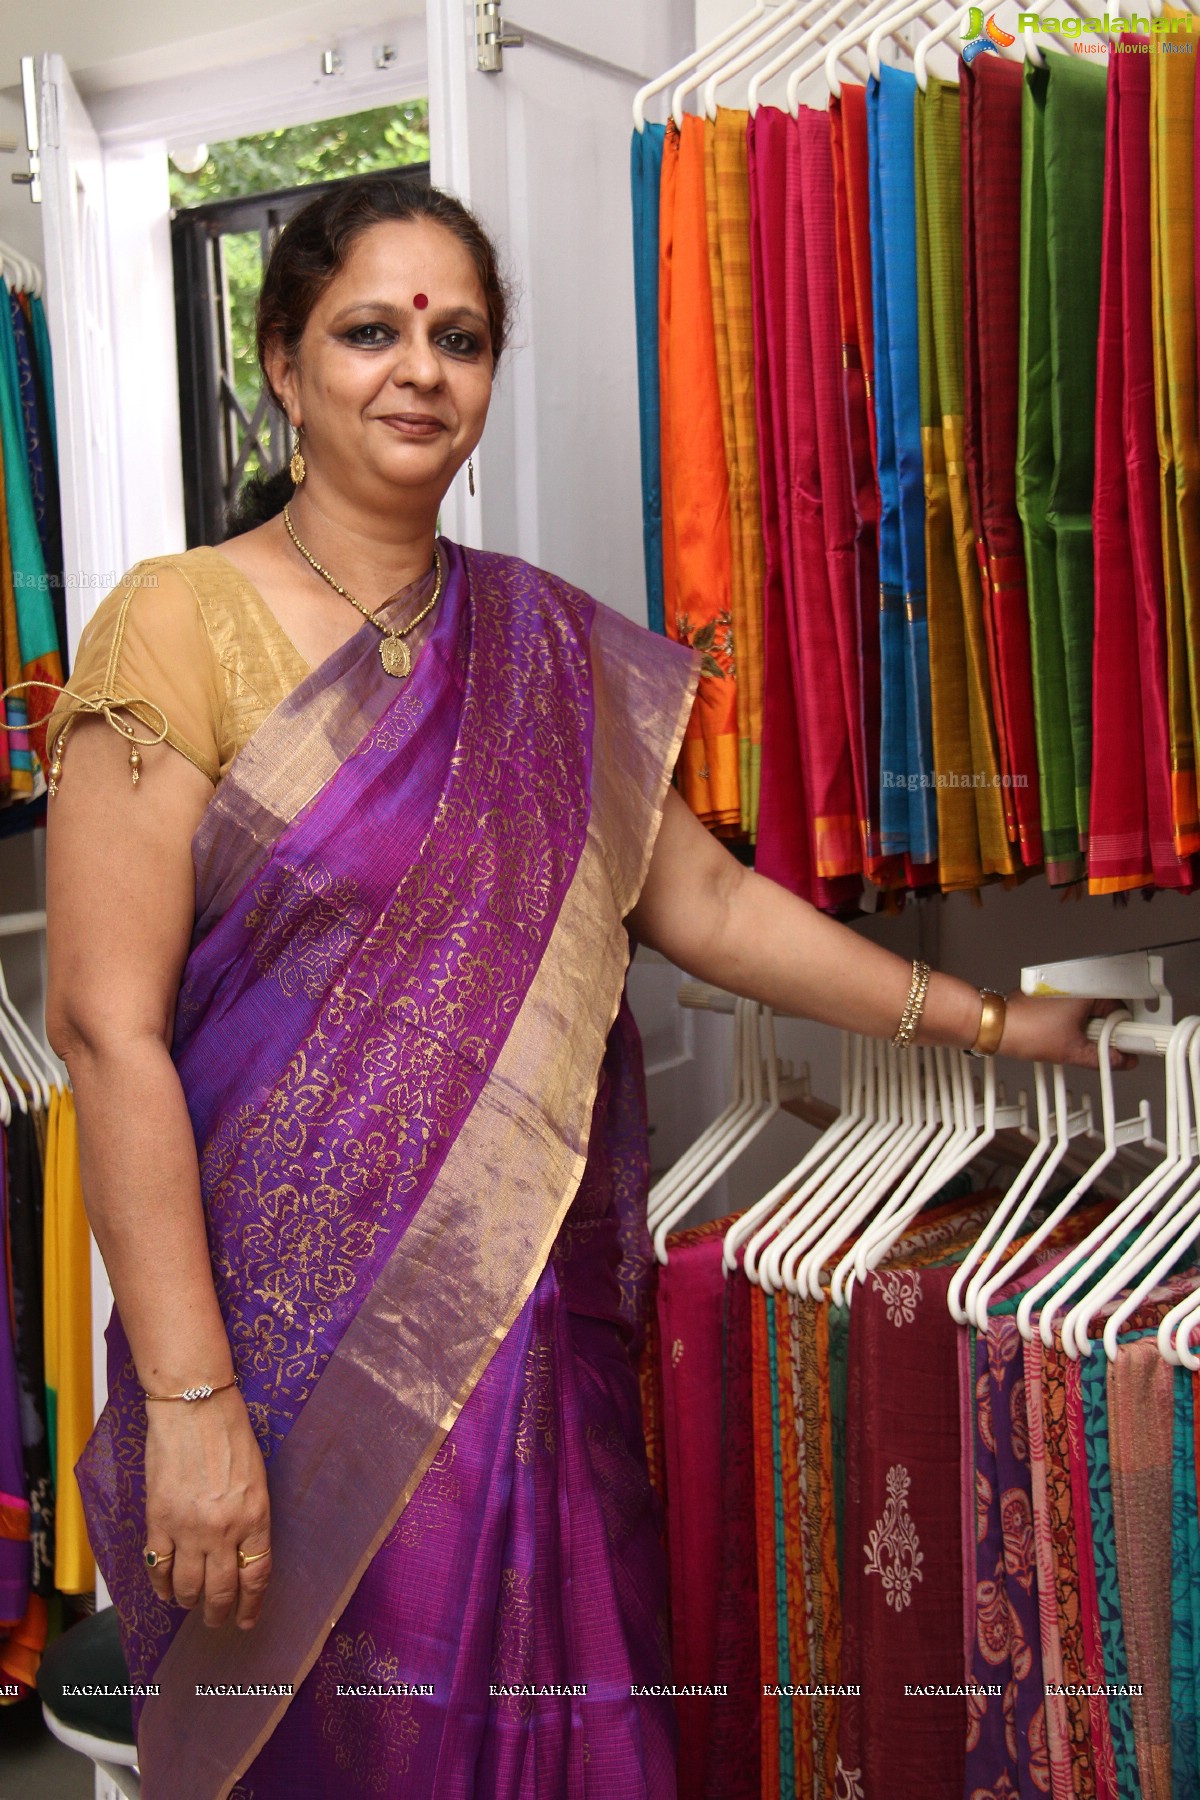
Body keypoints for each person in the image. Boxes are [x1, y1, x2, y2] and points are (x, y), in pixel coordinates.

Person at [36, 175, 1116, 1799]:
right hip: (273, 1358)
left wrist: (988, 1021)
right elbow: (102, 1030)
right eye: (370, 330)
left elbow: (704, 900)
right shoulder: (172, 625)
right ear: (282, 361)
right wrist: (191, 1402)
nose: (418, 369)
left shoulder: (546, 650)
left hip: (525, 1336)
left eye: (457, 338)